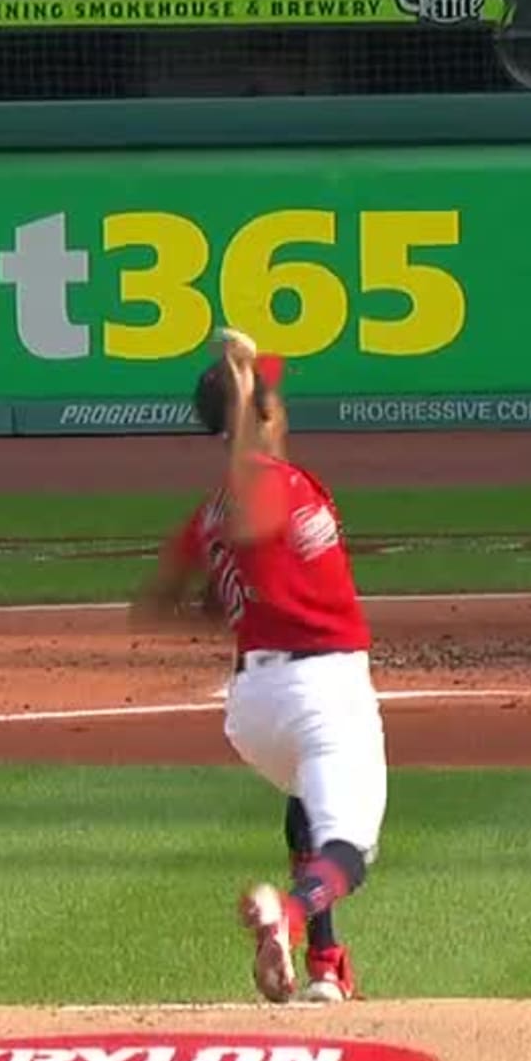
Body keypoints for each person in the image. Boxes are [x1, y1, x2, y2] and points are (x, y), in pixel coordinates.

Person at [128, 332, 380, 1005]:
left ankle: (326, 964)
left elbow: (160, 599)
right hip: (322, 690)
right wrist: (243, 376)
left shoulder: (213, 513)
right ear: (258, 418)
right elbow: (253, 455)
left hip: (256, 706)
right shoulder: (258, 485)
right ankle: (289, 916)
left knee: (307, 800)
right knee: (351, 851)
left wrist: (236, 595)